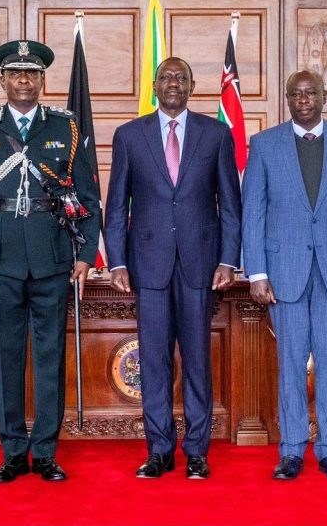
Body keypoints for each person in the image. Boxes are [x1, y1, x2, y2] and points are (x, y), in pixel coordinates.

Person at [0, 40, 101, 483]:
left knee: (50, 353)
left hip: (53, 252)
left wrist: (84, 254)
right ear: (1, 80)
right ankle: (13, 451)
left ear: (43, 81)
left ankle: (46, 451)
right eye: (16, 74)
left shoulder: (66, 126)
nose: (24, 80)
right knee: (7, 354)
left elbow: (90, 196)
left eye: (32, 74)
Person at [103, 57, 242, 481]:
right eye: (166, 77)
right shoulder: (129, 135)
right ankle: (159, 449)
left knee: (198, 360)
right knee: (154, 360)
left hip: (201, 264)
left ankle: (197, 451)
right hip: (148, 264)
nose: (174, 84)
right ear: (154, 85)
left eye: (181, 78)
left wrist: (228, 258)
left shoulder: (216, 134)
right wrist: (119, 261)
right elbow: (116, 204)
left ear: (193, 86)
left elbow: (231, 206)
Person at [242, 70, 327, 482]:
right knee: (290, 362)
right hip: (284, 272)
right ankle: (291, 450)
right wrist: (257, 272)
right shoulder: (264, 145)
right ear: (286, 99)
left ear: (324, 96)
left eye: (311, 93)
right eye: (295, 94)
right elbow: (254, 212)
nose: (303, 99)